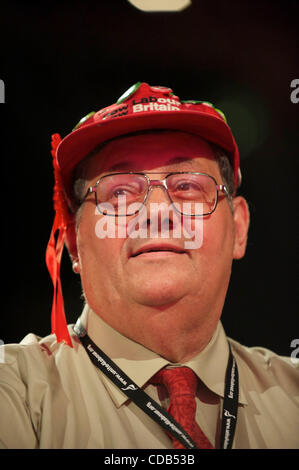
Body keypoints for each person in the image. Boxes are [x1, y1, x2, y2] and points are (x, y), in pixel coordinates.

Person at [0, 82, 298, 450]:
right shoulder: (14, 395)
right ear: (74, 242)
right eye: (120, 192)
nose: (157, 212)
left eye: (187, 185)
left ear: (238, 229)